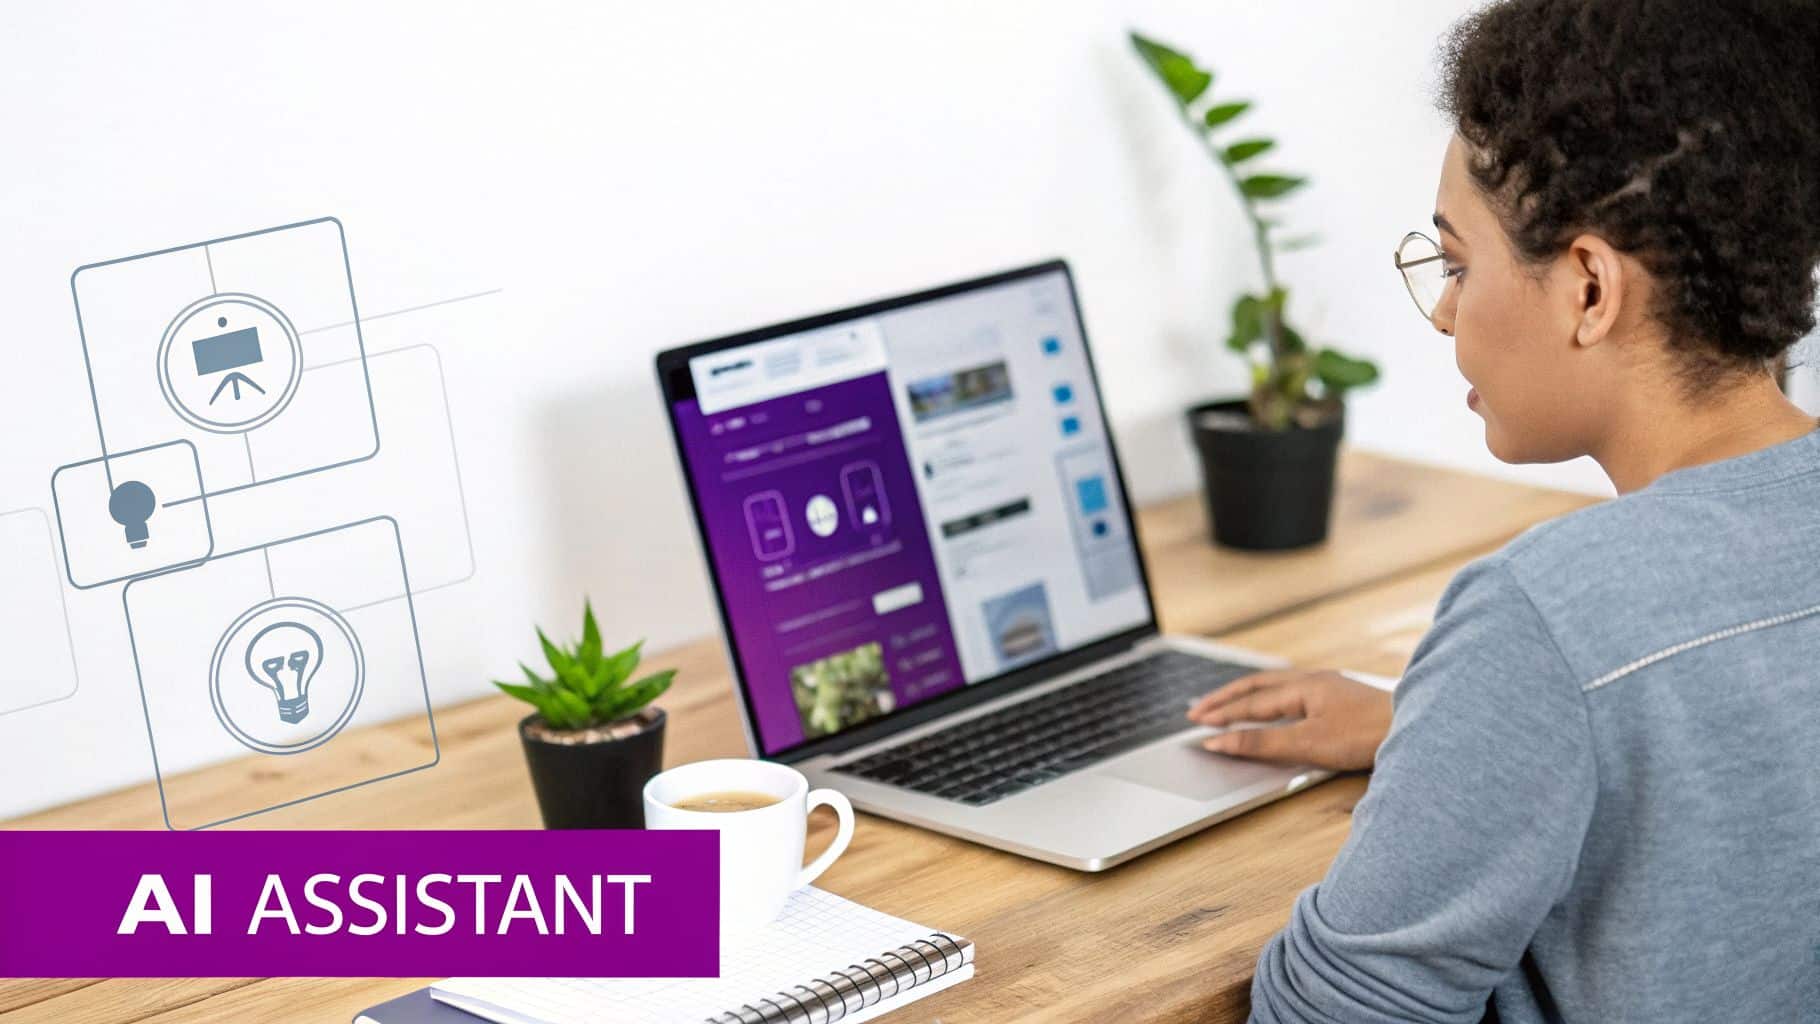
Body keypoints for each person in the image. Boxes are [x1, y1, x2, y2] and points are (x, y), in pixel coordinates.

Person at [1183, 1, 1820, 1020]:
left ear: (1586, 289)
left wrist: (1510, 698)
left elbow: (1335, 1011)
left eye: (1456, 263)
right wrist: (1447, 740)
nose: (1442, 309)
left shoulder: (1542, 615)